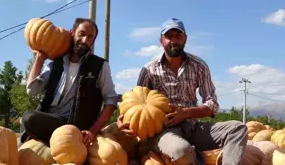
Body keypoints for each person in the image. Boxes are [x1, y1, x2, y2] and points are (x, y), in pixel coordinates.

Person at [117, 18, 248, 165]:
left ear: (185, 39)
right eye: (169, 36)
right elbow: (136, 103)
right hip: (164, 130)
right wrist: (123, 119)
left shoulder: (199, 66)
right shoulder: (149, 69)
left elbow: (212, 105)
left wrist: (186, 113)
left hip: (193, 127)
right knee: (182, 151)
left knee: (238, 128)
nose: (173, 40)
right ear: (161, 40)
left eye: (178, 36)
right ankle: (193, 155)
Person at [20, 17, 118, 147]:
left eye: (90, 37)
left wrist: (92, 131)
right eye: (81, 34)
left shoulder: (100, 66)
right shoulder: (57, 63)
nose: (84, 40)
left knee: (29, 118)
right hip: (50, 119)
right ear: (72, 32)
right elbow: (32, 91)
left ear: (93, 40)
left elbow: (110, 101)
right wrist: (39, 58)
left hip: (74, 127)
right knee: (27, 120)